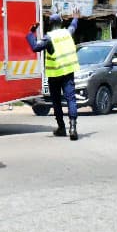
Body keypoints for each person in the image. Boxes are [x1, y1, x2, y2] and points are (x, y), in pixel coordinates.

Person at [27, 10, 80, 140]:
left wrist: (31, 33)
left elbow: (35, 47)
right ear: (61, 23)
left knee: (56, 102)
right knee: (71, 99)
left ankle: (61, 128)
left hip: (55, 75)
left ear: (50, 24)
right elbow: (73, 26)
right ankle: (73, 128)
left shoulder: (49, 37)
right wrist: (75, 18)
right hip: (68, 72)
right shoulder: (67, 33)